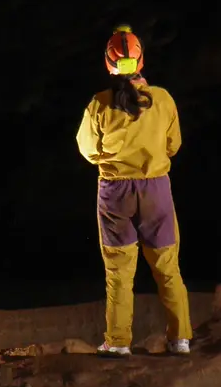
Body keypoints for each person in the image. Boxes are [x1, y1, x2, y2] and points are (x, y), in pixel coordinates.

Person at [75, 25, 193, 357]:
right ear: (141, 62)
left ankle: (118, 342)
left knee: (118, 272)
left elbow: (87, 150)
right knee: (168, 266)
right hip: (156, 190)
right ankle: (180, 338)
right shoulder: (164, 100)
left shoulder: (99, 104)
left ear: (108, 65)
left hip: (115, 193)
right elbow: (174, 145)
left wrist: (114, 160)